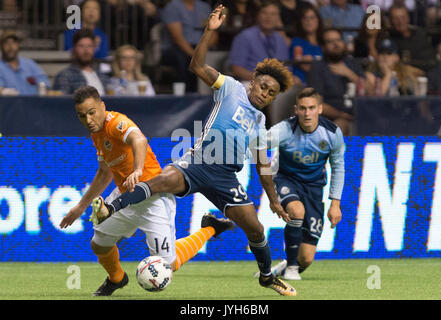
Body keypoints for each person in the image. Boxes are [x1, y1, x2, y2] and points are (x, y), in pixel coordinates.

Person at [90, 4, 298, 296]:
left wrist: (274, 201)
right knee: (161, 181)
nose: (264, 93)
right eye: (263, 86)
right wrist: (208, 32)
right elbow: (196, 67)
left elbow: (264, 166)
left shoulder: (261, 121)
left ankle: (266, 277)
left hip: (226, 177)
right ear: (253, 80)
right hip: (199, 162)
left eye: (272, 93)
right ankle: (110, 208)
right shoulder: (231, 87)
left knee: (256, 230)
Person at [59, 85, 235, 296]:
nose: (88, 120)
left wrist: (138, 170)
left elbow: (139, 139)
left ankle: (210, 228)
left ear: (102, 106)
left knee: (169, 264)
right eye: (81, 116)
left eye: (91, 112)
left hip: (153, 197)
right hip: (125, 197)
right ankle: (117, 279)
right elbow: (104, 173)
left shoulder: (116, 123)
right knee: (99, 244)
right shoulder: (96, 134)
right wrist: (80, 206)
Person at [256, 87, 344, 280]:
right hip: (287, 180)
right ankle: (292, 269)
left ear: (320, 109)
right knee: (296, 211)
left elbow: (338, 168)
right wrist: (264, 168)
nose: (307, 113)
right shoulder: (285, 129)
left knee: (307, 258)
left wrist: (335, 204)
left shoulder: (332, 133)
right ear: (296, 109)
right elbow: (259, 143)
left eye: (311, 108)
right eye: (303, 108)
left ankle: (287, 266)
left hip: (314, 188)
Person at [306, 28, 372, 136]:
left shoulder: (352, 63)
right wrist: (342, 115)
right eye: (330, 42)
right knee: (339, 126)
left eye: (338, 40)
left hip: (361, 114)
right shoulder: (317, 67)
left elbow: (371, 92)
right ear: (323, 47)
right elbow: (317, 104)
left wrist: (350, 75)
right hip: (334, 117)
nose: (336, 44)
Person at [228, 0, 290, 83]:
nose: (268, 17)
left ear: (278, 18)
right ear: (257, 15)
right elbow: (236, 69)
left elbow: (285, 67)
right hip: (250, 83)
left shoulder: (280, 39)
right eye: (264, 13)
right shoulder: (244, 36)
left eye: (273, 14)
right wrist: (262, 80)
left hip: (276, 84)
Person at [159, 0, 213, 93]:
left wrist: (203, 49)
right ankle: (187, 94)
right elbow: (178, 38)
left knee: (216, 57)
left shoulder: (204, 7)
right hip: (178, 47)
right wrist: (195, 56)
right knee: (182, 59)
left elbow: (214, 32)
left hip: (201, 46)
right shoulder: (172, 7)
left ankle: (211, 94)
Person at [53, 28, 110, 95]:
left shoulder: (102, 75)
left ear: (94, 49)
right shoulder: (65, 76)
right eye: (81, 46)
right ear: (74, 49)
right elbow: (59, 103)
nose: (86, 51)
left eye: (89, 46)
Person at [388, 3, 436, 72]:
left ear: (408, 18)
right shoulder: (388, 39)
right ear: (390, 21)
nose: (400, 21)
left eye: (403, 17)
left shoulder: (419, 35)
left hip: (424, 75)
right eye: (396, 18)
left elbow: (431, 61)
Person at [0, 29, 50, 95]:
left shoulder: (29, 64)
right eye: (6, 43)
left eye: (14, 42)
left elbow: (44, 83)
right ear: (1, 46)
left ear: (18, 45)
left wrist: (43, 88)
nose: (11, 46)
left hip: (34, 103)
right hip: (10, 104)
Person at [290, 5, 324, 85]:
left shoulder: (324, 42)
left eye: (312, 18)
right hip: (303, 84)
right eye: (305, 18)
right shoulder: (297, 42)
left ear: (318, 20)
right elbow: (305, 66)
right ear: (301, 22)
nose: (308, 21)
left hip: (323, 84)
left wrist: (312, 61)